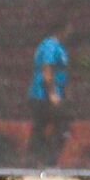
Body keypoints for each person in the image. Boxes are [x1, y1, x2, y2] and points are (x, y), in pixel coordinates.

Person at [27, 32, 71, 162]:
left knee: (50, 127)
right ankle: (41, 159)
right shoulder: (50, 46)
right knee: (53, 126)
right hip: (43, 96)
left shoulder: (60, 47)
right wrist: (52, 94)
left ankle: (43, 159)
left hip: (56, 94)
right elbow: (47, 69)